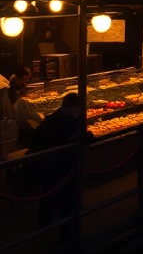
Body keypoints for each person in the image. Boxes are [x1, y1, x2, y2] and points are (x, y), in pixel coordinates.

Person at [27, 91, 94, 237]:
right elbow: (79, 138)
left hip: (47, 164)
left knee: (48, 195)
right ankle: (66, 233)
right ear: (76, 107)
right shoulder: (70, 121)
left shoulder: (51, 117)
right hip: (63, 165)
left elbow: (35, 138)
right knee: (67, 199)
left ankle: (44, 224)